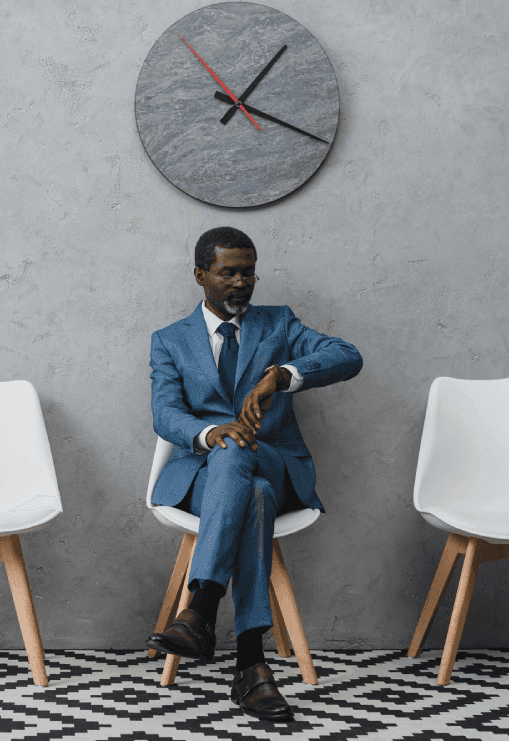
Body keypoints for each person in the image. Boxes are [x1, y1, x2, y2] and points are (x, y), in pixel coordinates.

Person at [145, 226, 362, 722]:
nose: (241, 283)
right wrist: (211, 433)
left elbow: (348, 356)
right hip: (202, 477)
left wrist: (283, 375)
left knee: (244, 460)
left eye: (249, 273)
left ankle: (201, 607)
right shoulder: (170, 341)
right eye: (228, 273)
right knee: (254, 492)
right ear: (200, 275)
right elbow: (166, 414)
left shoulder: (278, 324)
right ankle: (250, 665)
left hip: (274, 459)